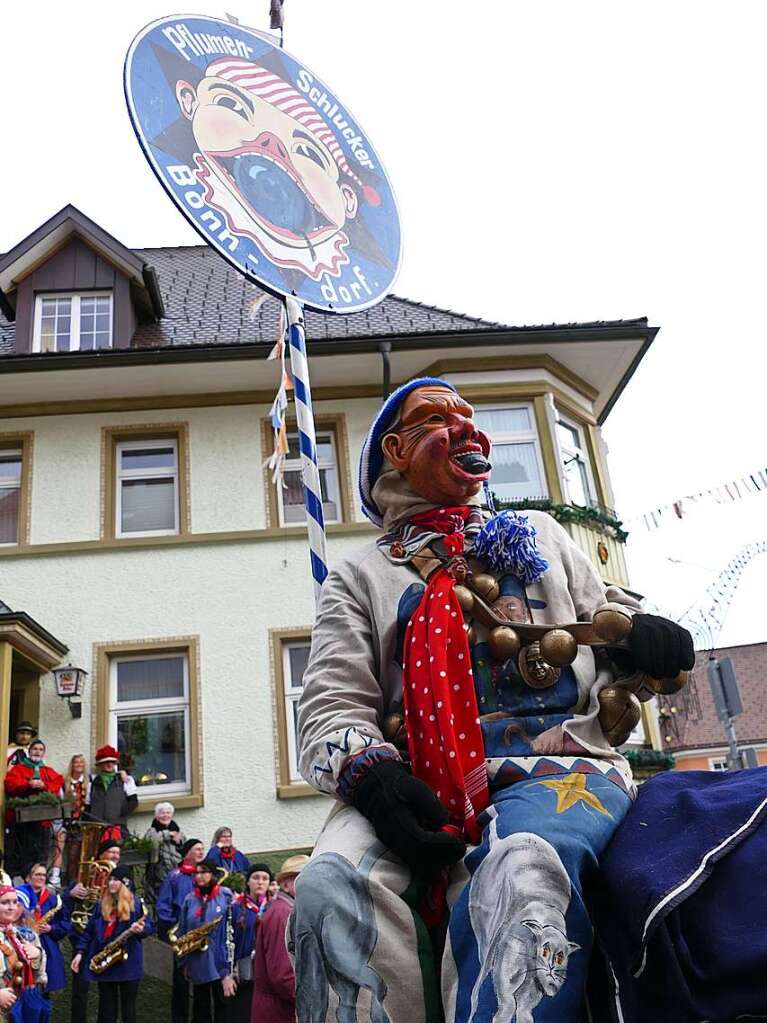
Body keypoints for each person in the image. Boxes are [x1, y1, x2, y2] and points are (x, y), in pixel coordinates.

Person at [292, 379, 695, 1022]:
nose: (462, 426)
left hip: (556, 763)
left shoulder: (538, 533)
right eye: (434, 419)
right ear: (395, 451)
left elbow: (611, 621)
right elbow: (328, 705)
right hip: (410, 775)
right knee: (328, 884)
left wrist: (649, 641)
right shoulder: (361, 573)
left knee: (520, 865)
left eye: (467, 416)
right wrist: (373, 779)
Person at [71, 866, 153, 1023]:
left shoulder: (135, 904)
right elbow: (88, 932)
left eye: (116, 880)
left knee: (128, 1010)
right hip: (106, 963)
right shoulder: (102, 905)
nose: (111, 883)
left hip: (128, 965)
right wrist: (80, 953)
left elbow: (149, 927)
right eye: (111, 879)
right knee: (107, 1010)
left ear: (125, 883)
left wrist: (140, 930)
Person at [64, 837, 123, 1023]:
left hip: (106, 939)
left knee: (107, 991)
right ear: (102, 855)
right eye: (111, 852)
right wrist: (70, 893)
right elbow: (65, 901)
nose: (115, 856)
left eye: (118, 853)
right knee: (80, 989)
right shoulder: (84, 875)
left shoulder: (120, 880)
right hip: (82, 936)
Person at [175, 859, 233, 1023]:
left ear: (213, 875)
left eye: (204, 872)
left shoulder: (226, 895)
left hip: (218, 959)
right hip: (196, 958)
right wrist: (183, 961)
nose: (199, 876)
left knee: (223, 1005)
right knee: (200, 1006)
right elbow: (183, 929)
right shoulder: (189, 899)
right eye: (197, 873)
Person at [252, 855, 307, 1023]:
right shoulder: (283, 915)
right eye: (303, 878)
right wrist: (313, 1000)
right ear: (286, 884)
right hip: (278, 1013)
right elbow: (283, 976)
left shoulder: (285, 910)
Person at [156, 838, 205, 1023]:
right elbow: (163, 904)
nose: (201, 852)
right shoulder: (175, 876)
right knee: (181, 981)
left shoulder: (206, 874)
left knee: (203, 979)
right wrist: (174, 926)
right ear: (187, 853)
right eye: (197, 849)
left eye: (202, 849)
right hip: (182, 934)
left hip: (202, 932)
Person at [4, 740, 64, 879]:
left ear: (43, 753)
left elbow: (58, 781)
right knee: (24, 854)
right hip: (23, 822)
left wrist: (44, 785)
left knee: (41, 854)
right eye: (35, 749)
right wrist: (27, 784)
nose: (37, 752)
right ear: (29, 752)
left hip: (42, 822)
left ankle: (38, 880)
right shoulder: (19, 769)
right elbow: (10, 784)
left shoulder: (47, 770)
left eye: (40, 749)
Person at [18, 863, 69, 1000]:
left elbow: (65, 924)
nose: (41, 878)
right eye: (37, 874)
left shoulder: (53, 899)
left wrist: (51, 928)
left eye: (44, 875)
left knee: (44, 992)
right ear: (29, 878)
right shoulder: (19, 897)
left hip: (47, 948)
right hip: (23, 946)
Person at [229, 863, 271, 1023]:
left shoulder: (273, 907)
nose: (260, 882)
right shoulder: (236, 908)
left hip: (267, 972)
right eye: (256, 878)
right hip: (243, 971)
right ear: (248, 882)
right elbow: (227, 940)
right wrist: (227, 972)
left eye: (265, 878)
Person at [0, 885, 47, 1021]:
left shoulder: (19, 935)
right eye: (4, 902)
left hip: (17, 1009)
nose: (12, 907)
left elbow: (38, 977)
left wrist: (37, 955)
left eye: (15, 902)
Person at [86, 746, 138, 842]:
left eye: (112, 762)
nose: (109, 764)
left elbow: (133, 801)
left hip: (117, 828)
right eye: (106, 762)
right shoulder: (92, 782)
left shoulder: (125, 780)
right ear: (100, 764)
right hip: (97, 829)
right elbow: (88, 806)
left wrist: (120, 814)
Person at [144, 801, 186, 903]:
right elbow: (152, 842)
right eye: (162, 813)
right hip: (159, 875)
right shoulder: (152, 831)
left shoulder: (178, 831)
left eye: (168, 813)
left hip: (177, 872)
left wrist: (179, 841)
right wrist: (167, 834)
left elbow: (185, 849)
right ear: (157, 815)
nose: (165, 815)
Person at [62, 754, 89, 883]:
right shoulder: (66, 782)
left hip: (85, 821)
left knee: (85, 854)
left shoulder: (89, 781)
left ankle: (83, 881)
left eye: (81, 762)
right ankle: (71, 881)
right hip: (70, 822)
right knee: (72, 855)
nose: (79, 765)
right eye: (76, 762)